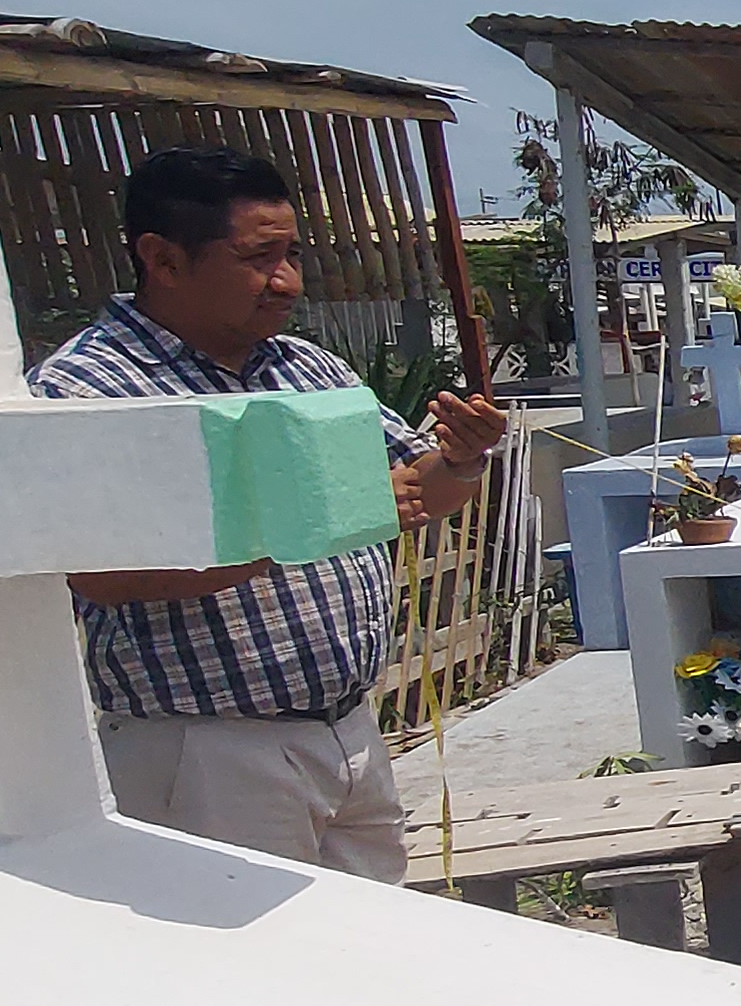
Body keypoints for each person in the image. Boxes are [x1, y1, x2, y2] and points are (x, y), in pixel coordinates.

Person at [31, 146, 508, 879]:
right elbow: (101, 574)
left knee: (373, 938)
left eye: (291, 255)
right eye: (257, 258)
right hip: (209, 752)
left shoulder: (304, 368)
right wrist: (319, 518)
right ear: (163, 259)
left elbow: (416, 491)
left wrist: (461, 459)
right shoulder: (90, 391)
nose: (286, 280)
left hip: (346, 731)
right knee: (248, 948)